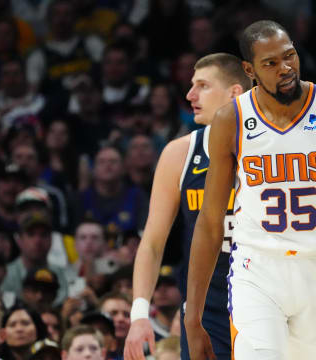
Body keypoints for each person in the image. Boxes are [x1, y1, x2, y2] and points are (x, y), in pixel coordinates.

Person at [184, 20, 316, 360]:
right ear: (249, 70)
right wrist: (192, 317)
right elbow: (211, 221)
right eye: (270, 63)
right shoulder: (232, 119)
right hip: (258, 271)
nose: (285, 68)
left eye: (290, 56)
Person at [124, 53, 252, 360]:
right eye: (192, 85)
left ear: (235, 93)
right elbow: (153, 242)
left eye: (203, 86)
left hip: (270, 295)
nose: (189, 95)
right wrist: (139, 311)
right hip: (206, 306)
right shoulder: (180, 153)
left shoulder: (272, 148)